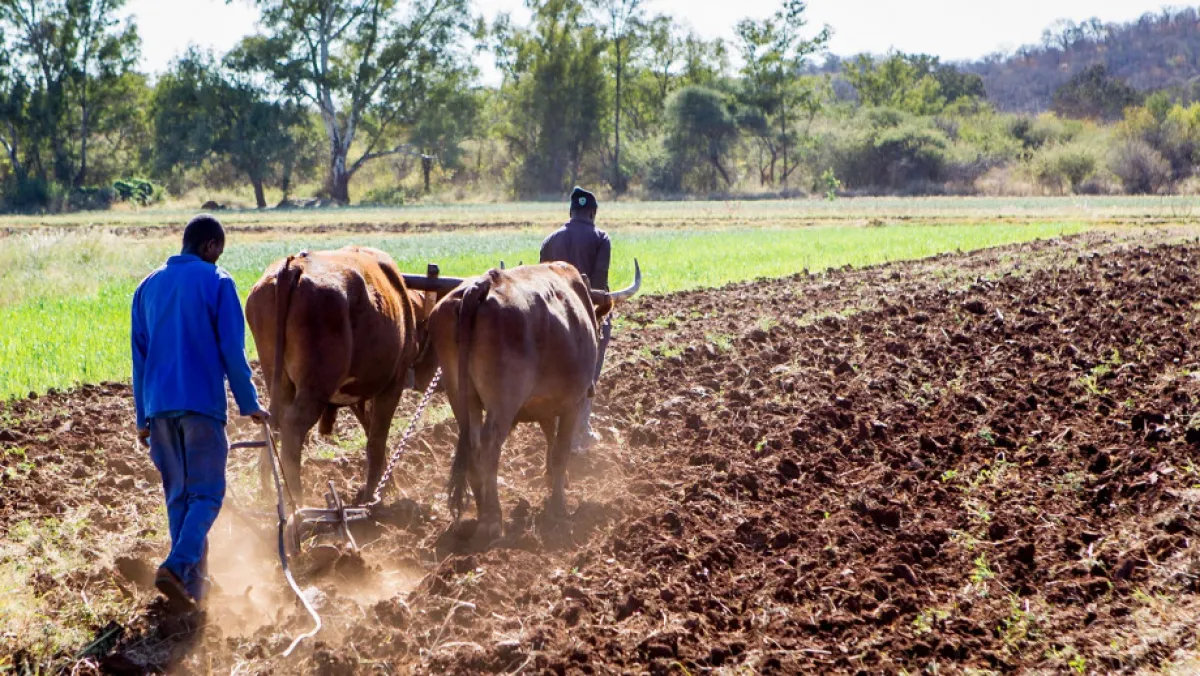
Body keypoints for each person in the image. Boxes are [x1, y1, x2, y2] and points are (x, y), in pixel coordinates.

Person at [131, 214, 268, 613]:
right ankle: (177, 567)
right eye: (217, 251)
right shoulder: (218, 282)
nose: (217, 258)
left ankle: (193, 588)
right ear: (210, 246)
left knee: (179, 497)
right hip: (201, 407)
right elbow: (232, 351)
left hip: (158, 408)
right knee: (207, 494)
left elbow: (139, 360)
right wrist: (250, 403)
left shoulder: (147, 287)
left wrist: (143, 417)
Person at [539, 186, 612, 453]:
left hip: (550, 319)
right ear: (592, 213)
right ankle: (580, 430)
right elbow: (600, 286)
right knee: (586, 374)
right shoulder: (601, 238)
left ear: (571, 212)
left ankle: (554, 428)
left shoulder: (550, 240)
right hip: (584, 318)